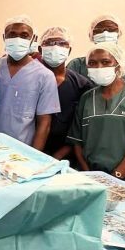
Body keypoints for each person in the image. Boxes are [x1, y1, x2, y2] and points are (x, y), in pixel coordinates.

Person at [0, 15, 60, 149]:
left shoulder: (45, 76)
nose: (18, 39)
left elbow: (44, 123)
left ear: (32, 39)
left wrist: (33, 156)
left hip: (19, 150)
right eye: (12, 35)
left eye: (24, 35)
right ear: (4, 38)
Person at [68, 43, 125, 183]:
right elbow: (77, 143)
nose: (99, 67)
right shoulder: (87, 98)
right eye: (92, 63)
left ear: (119, 65)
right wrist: (90, 176)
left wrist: (114, 178)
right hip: (94, 180)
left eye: (106, 62)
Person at [38, 27, 92, 160]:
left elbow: (81, 128)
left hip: (64, 154)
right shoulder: (30, 78)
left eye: (62, 43)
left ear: (69, 50)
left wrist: (58, 157)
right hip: (27, 147)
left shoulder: (82, 85)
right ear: (40, 49)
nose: (55, 47)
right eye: (50, 43)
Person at [67, 14, 125, 82]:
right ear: (91, 35)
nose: (105, 34)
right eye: (99, 30)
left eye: (111, 29)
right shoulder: (77, 65)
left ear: (119, 34)